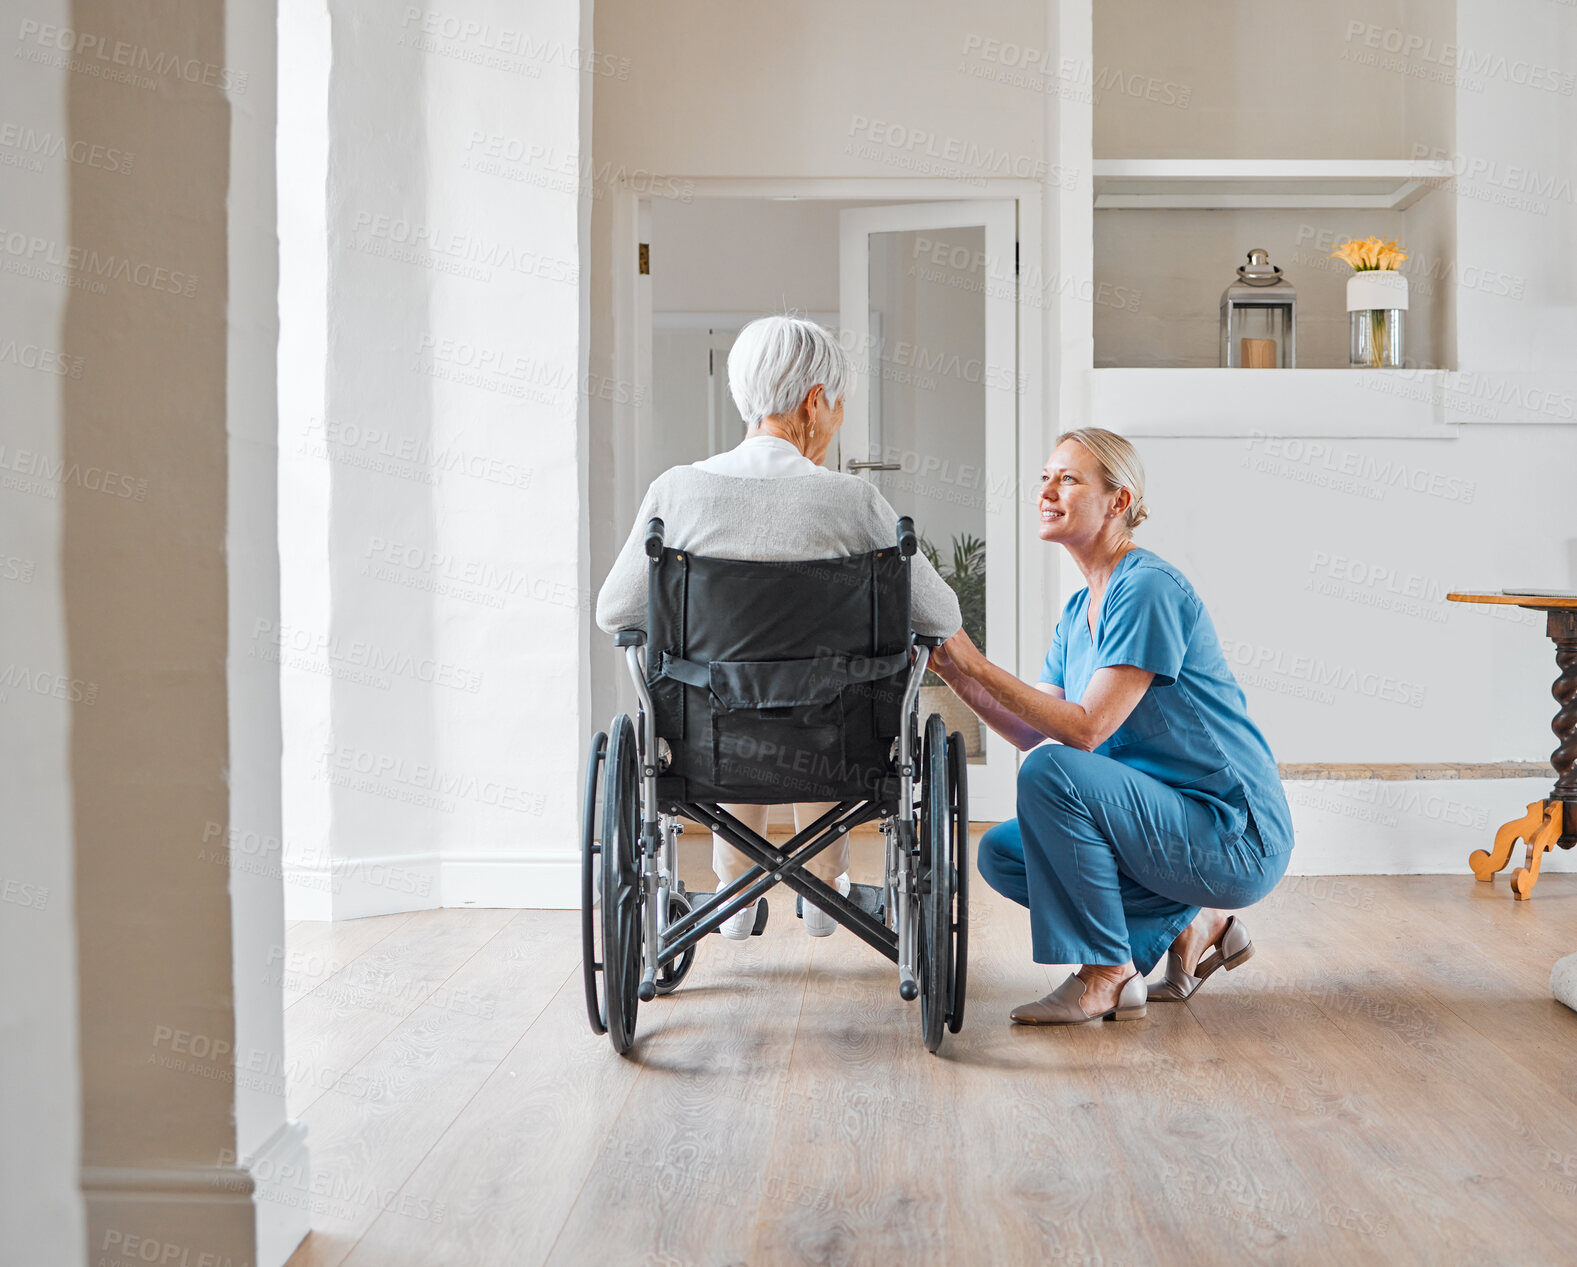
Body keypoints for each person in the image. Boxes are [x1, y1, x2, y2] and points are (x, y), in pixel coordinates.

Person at [596, 315, 961, 939]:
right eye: (838, 404)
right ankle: (826, 890)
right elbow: (941, 617)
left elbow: (616, 612)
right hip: (837, 750)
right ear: (815, 403)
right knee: (826, 697)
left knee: (727, 692)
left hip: (709, 745)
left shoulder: (677, 493)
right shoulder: (855, 503)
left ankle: (734, 892)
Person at [929, 427, 1293, 1024]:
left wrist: (975, 661)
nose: (1047, 490)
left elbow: (1084, 730)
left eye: (1067, 478)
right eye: (1044, 477)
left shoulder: (1146, 588)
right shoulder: (1078, 611)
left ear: (1119, 501)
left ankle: (1106, 971)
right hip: (1169, 827)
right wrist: (954, 671)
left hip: (1234, 834)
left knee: (1052, 771)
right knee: (1004, 854)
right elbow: (1028, 728)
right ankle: (1192, 922)